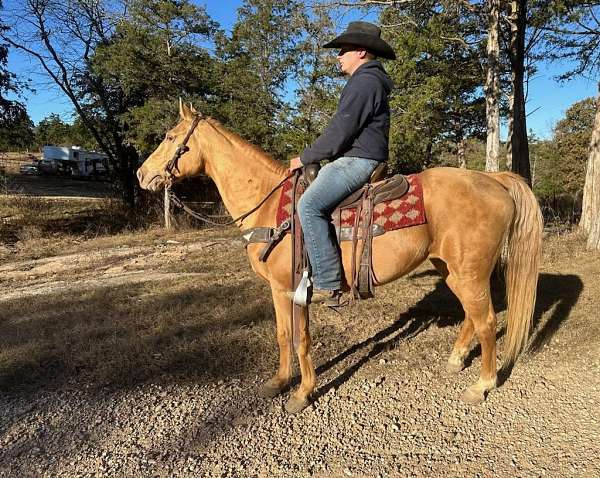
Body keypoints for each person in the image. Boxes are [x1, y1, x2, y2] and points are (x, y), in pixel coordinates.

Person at [289, 21, 395, 307]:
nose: (338, 56)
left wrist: (306, 156)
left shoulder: (364, 82)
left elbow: (340, 133)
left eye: (343, 50)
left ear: (360, 52)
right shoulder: (368, 81)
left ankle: (327, 280)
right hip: (360, 155)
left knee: (308, 206)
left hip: (358, 158)